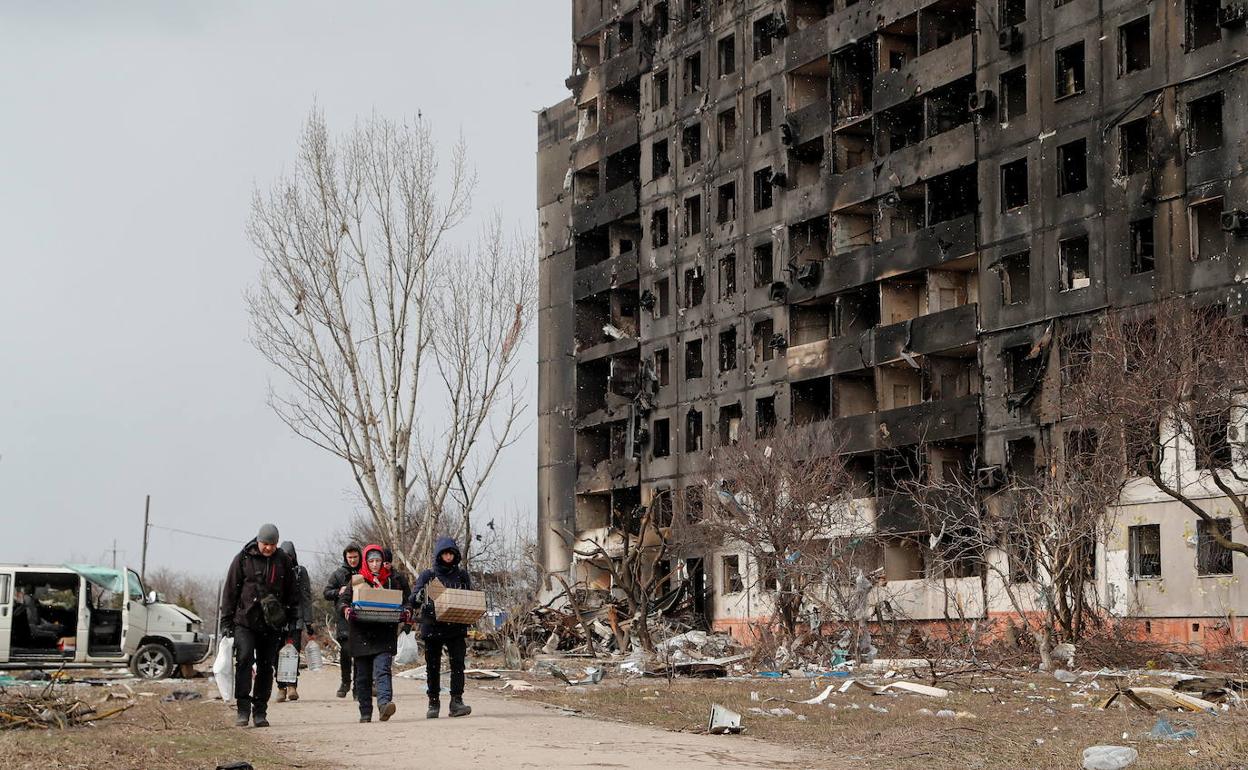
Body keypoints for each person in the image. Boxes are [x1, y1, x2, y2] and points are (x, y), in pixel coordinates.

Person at [220, 523, 298, 728]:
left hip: (272, 624)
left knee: (266, 667)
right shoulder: (243, 558)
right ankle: (243, 709)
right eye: (265, 544)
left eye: (273, 544)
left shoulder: (284, 561)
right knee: (244, 660)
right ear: (258, 541)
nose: (269, 548)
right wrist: (226, 621)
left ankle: (260, 711)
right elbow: (230, 590)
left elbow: (292, 592)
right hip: (245, 621)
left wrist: (291, 619)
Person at [336, 544, 409, 723]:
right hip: (361, 635)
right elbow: (342, 601)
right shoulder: (356, 581)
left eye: (378, 561)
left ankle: (384, 705)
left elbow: (406, 600)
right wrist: (345, 609)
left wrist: (406, 611)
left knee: (383, 670)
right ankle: (365, 711)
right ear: (366, 562)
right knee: (363, 676)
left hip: (384, 634)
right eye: (371, 561)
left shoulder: (392, 580)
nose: (375, 565)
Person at [412, 536, 473, 719]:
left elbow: (469, 598)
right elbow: (413, 600)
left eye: (451, 554)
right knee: (432, 666)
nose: (448, 557)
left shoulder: (462, 576)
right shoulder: (428, 575)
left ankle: (456, 701)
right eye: (445, 553)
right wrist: (422, 595)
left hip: (456, 626)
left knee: (457, 665)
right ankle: (433, 702)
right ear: (439, 555)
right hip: (432, 627)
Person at [275, 541, 313, 703]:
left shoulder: (300, 572)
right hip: (276, 619)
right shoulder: (274, 570)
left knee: (292, 653)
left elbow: (306, 597)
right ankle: (280, 687)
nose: (287, 559)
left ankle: (292, 686)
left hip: (295, 619)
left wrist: (308, 622)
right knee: (276, 655)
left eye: (289, 556)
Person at [323, 543, 361, 698]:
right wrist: (339, 591)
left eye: (355, 557)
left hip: (361, 616)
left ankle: (359, 686)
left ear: (360, 556)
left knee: (360, 653)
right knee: (346, 651)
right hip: (343, 618)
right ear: (346, 557)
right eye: (350, 557)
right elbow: (326, 592)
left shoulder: (364, 572)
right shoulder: (338, 574)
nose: (352, 560)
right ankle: (345, 681)